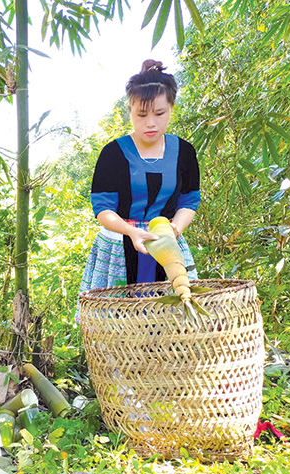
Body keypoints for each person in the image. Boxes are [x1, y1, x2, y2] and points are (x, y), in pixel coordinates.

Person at [78, 60, 200, 301]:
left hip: (167, 245)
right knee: (117, 324)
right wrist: (131, 232)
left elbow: (189, 199)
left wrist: (175, 228)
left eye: (159, 113)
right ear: (130, 111)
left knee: (174, 320)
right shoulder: (113, 154)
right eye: (141, 114)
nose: (150, 122)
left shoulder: (184, 152)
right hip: (118, 247)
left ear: (171, 108)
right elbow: (103, 208)